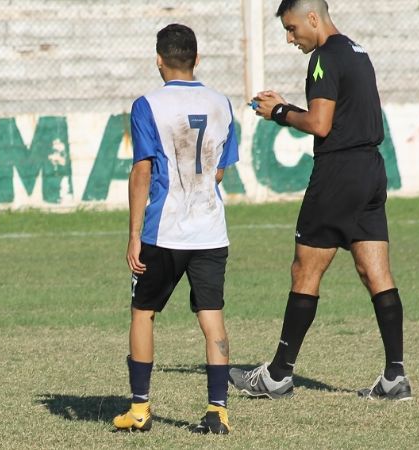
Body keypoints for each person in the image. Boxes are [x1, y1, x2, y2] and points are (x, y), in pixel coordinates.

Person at [229, 0, 411, 401]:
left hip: (337, 174)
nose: (290, 38)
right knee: (375, 273)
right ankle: (395, 376)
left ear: (314, 18)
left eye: (293, 29)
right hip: (370, 171)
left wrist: (279, 112)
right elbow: (338, 115)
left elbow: (320, 124)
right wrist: (289, 107)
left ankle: (277, 376)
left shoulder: (323, 58)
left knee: (305, 271)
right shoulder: (357, 51)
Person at [113, 24, 239, 434]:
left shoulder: (147, 104)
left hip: (163, 232)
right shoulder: (222, 104)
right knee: (212, 317)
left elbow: (142, 171)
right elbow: (219, 171)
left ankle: (139, 408)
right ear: (197, 59)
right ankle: (217, 411)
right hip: (210, 231)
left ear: (158, 59)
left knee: (143, 313)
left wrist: (134, 234)